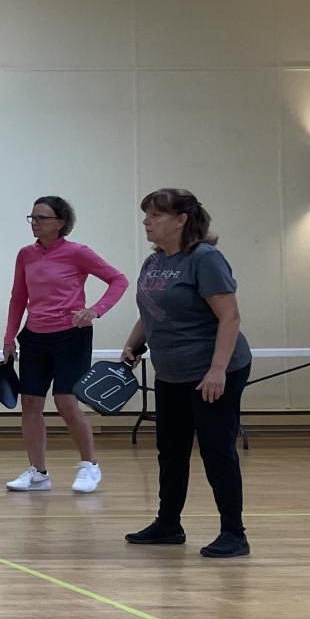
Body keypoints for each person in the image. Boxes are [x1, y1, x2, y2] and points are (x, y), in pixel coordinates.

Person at [122, 188, 252, 559]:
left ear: (181, 220)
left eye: (156, 215)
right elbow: (151, 310)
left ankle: (234, 533)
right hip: (171, 373)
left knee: (216, 449)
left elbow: (230, 316)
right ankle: (168, 524)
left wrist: (217, 370)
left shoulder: (204, 259)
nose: (147, 221)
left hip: (212, 372)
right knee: (171, 450)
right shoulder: (155, 262)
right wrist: (134, 343)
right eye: (146, 214)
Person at [2, 196, 128, 494]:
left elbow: (118, 280)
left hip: (71, 335)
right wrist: (9, 338)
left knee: (66, 400)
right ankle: (38, 473)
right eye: (32, 217)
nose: (34, 222)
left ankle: (89, 466)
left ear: (60, 223)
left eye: (41, 218)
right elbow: (18, 298)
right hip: (34, 336)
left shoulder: (78, 253)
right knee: (30, 402)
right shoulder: (25, 255)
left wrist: (96, 310)